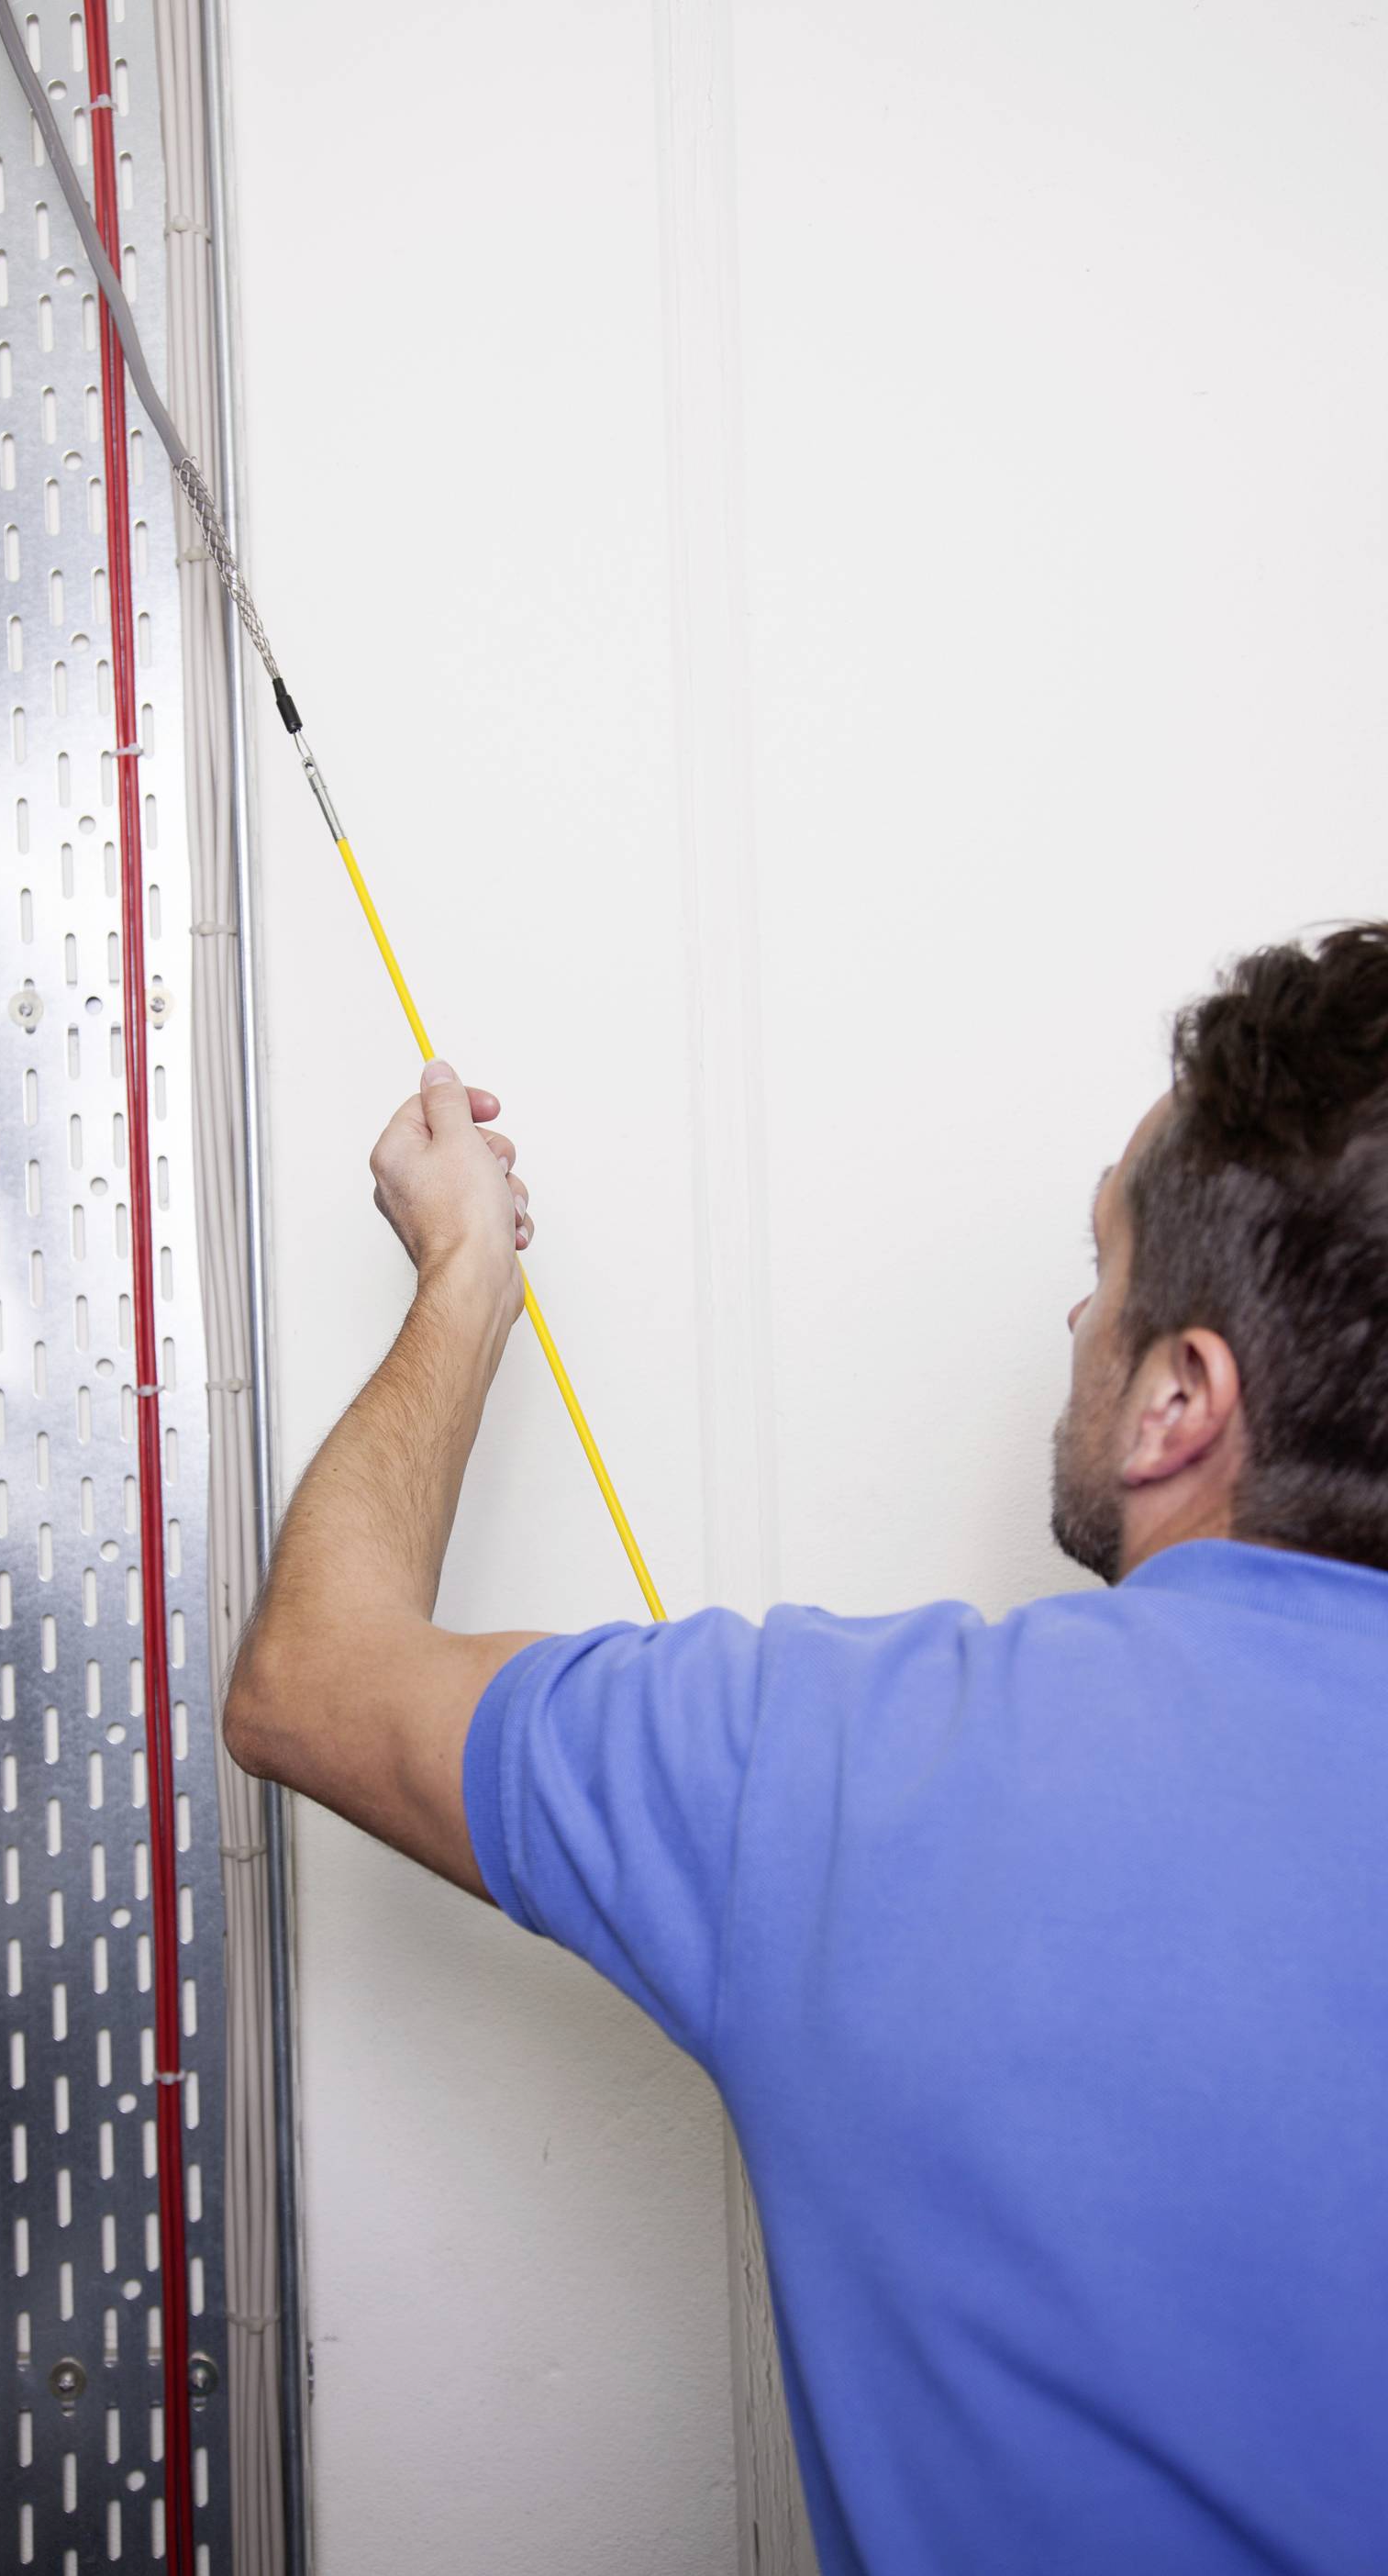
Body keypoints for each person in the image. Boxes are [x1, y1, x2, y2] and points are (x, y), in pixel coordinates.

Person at [224, 923, 1388, 2576]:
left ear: (1179, 1403)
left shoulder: (857, 1772)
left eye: (1106, 1268)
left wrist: (464, 1274)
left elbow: (310, 1679)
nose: (1075, 1311)